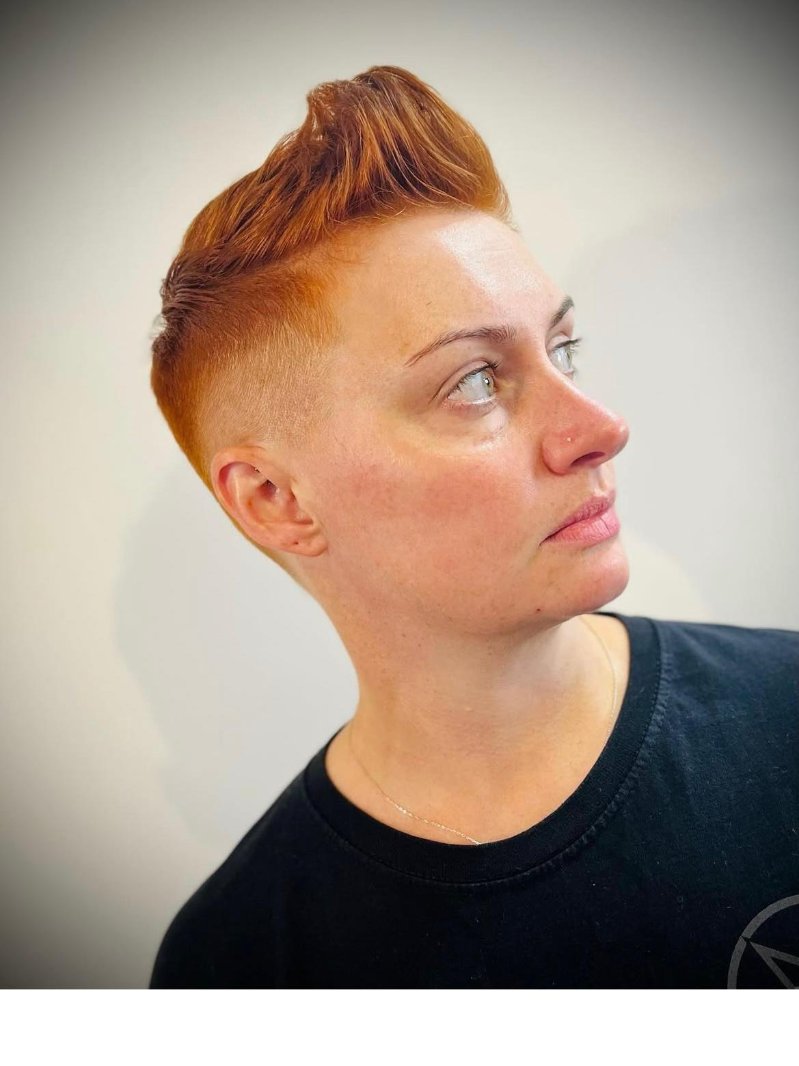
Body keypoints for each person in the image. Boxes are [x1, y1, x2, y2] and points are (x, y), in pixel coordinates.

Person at [148, 65, 799, 989]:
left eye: (564, 349)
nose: (601, 428)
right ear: (275, 501)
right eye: (476, 381)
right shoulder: (241, 965)